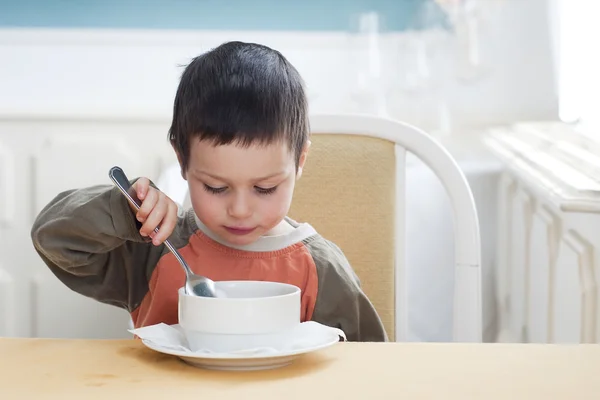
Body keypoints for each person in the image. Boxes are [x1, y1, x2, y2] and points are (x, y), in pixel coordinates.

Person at [31, 41, 388, 342]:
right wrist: (125, 213)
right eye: (216, 187)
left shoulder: (320, 270)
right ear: (182, 161)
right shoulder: (154, 247)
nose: (240, 209)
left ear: (300, 161)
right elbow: (55, 239)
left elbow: (368, 367)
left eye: (265, 188)